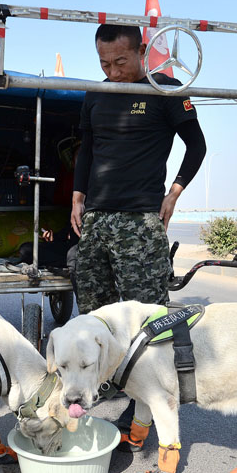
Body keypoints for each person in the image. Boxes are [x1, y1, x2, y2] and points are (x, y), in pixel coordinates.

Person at [71, 24, 207, 442]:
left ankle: (145, 411)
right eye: (105, 63)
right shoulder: (97, 94)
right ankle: (110, 385)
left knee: (147, 318)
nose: (113, 71)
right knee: (97, 312)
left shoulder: (166, 90)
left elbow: (196, 145)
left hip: (141, 221)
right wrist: (78, 196)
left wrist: (176, 191)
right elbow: (87, 149)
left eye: (121, 62)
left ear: (142, 51)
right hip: (96, 218)